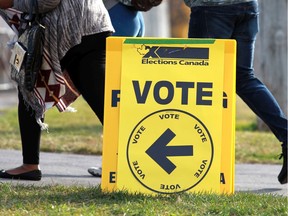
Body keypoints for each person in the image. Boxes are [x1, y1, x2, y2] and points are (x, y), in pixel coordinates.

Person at [0, 0, 114, 180]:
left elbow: (48, 1)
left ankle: (29, 164)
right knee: (102, 100)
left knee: (28, 85)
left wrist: (11, 2)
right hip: (94, 24)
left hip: (70, 25)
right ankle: (130, 158)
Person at [183, 0, 287, 184]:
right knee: (244, 78)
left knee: (202, 80)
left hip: (211, 8)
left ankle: (197, 160)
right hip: (247, 6)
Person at [87, 0, 162, 177]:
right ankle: (133, 158)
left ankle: (116, 162)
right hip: (130, 16)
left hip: (115, 15)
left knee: (113, 99)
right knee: (124, 97)